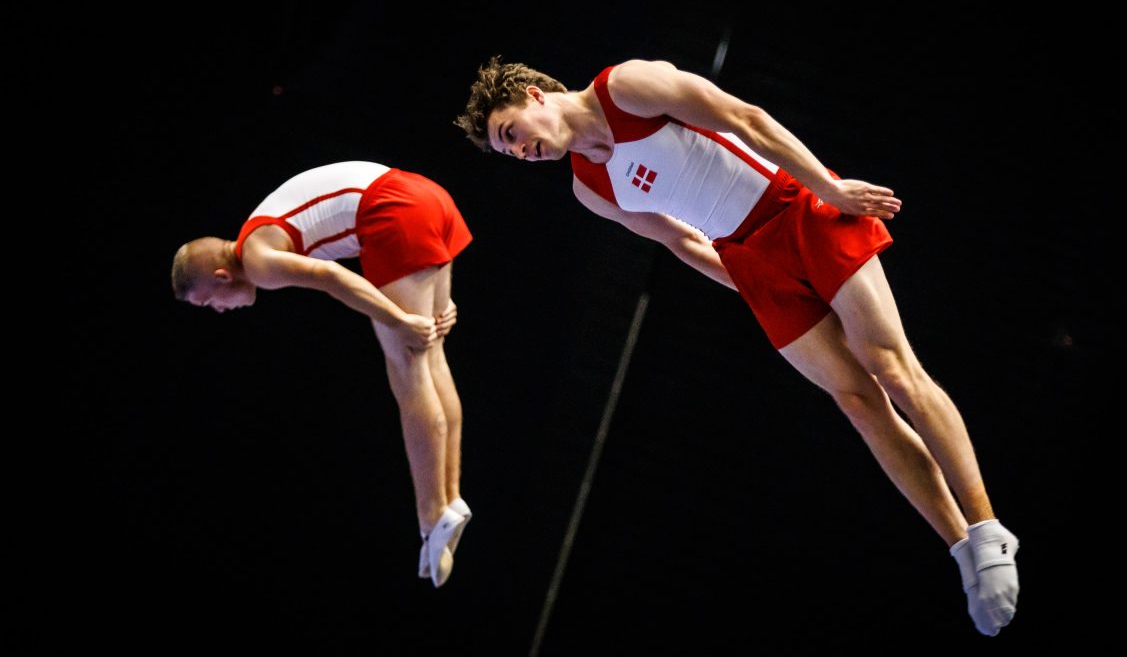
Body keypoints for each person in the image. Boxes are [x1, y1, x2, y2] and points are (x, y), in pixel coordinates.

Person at [456, 58, 1020, 635]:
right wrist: (753, 288)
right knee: (857, 402)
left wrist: (828, 188)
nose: (520, 151)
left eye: (511, 132)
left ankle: (988, 530)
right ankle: (962, 548)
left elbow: (746, 118)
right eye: (509, 152)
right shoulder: (589, 189)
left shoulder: (625, 87)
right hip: (748, 258)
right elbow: (680, 241)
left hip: (796, 206)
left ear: (534, 95)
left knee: (891, 367)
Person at [171, 161, 474, 588]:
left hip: (393, 209)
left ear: (221, 278)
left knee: (408, 370)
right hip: (426, 196)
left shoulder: (257, 262)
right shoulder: (260, 232)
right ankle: (450, 500)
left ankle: (431, 517)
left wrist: (398, 319)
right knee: (433, 356)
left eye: (209, 303)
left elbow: (331, 276)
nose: (220, 311)